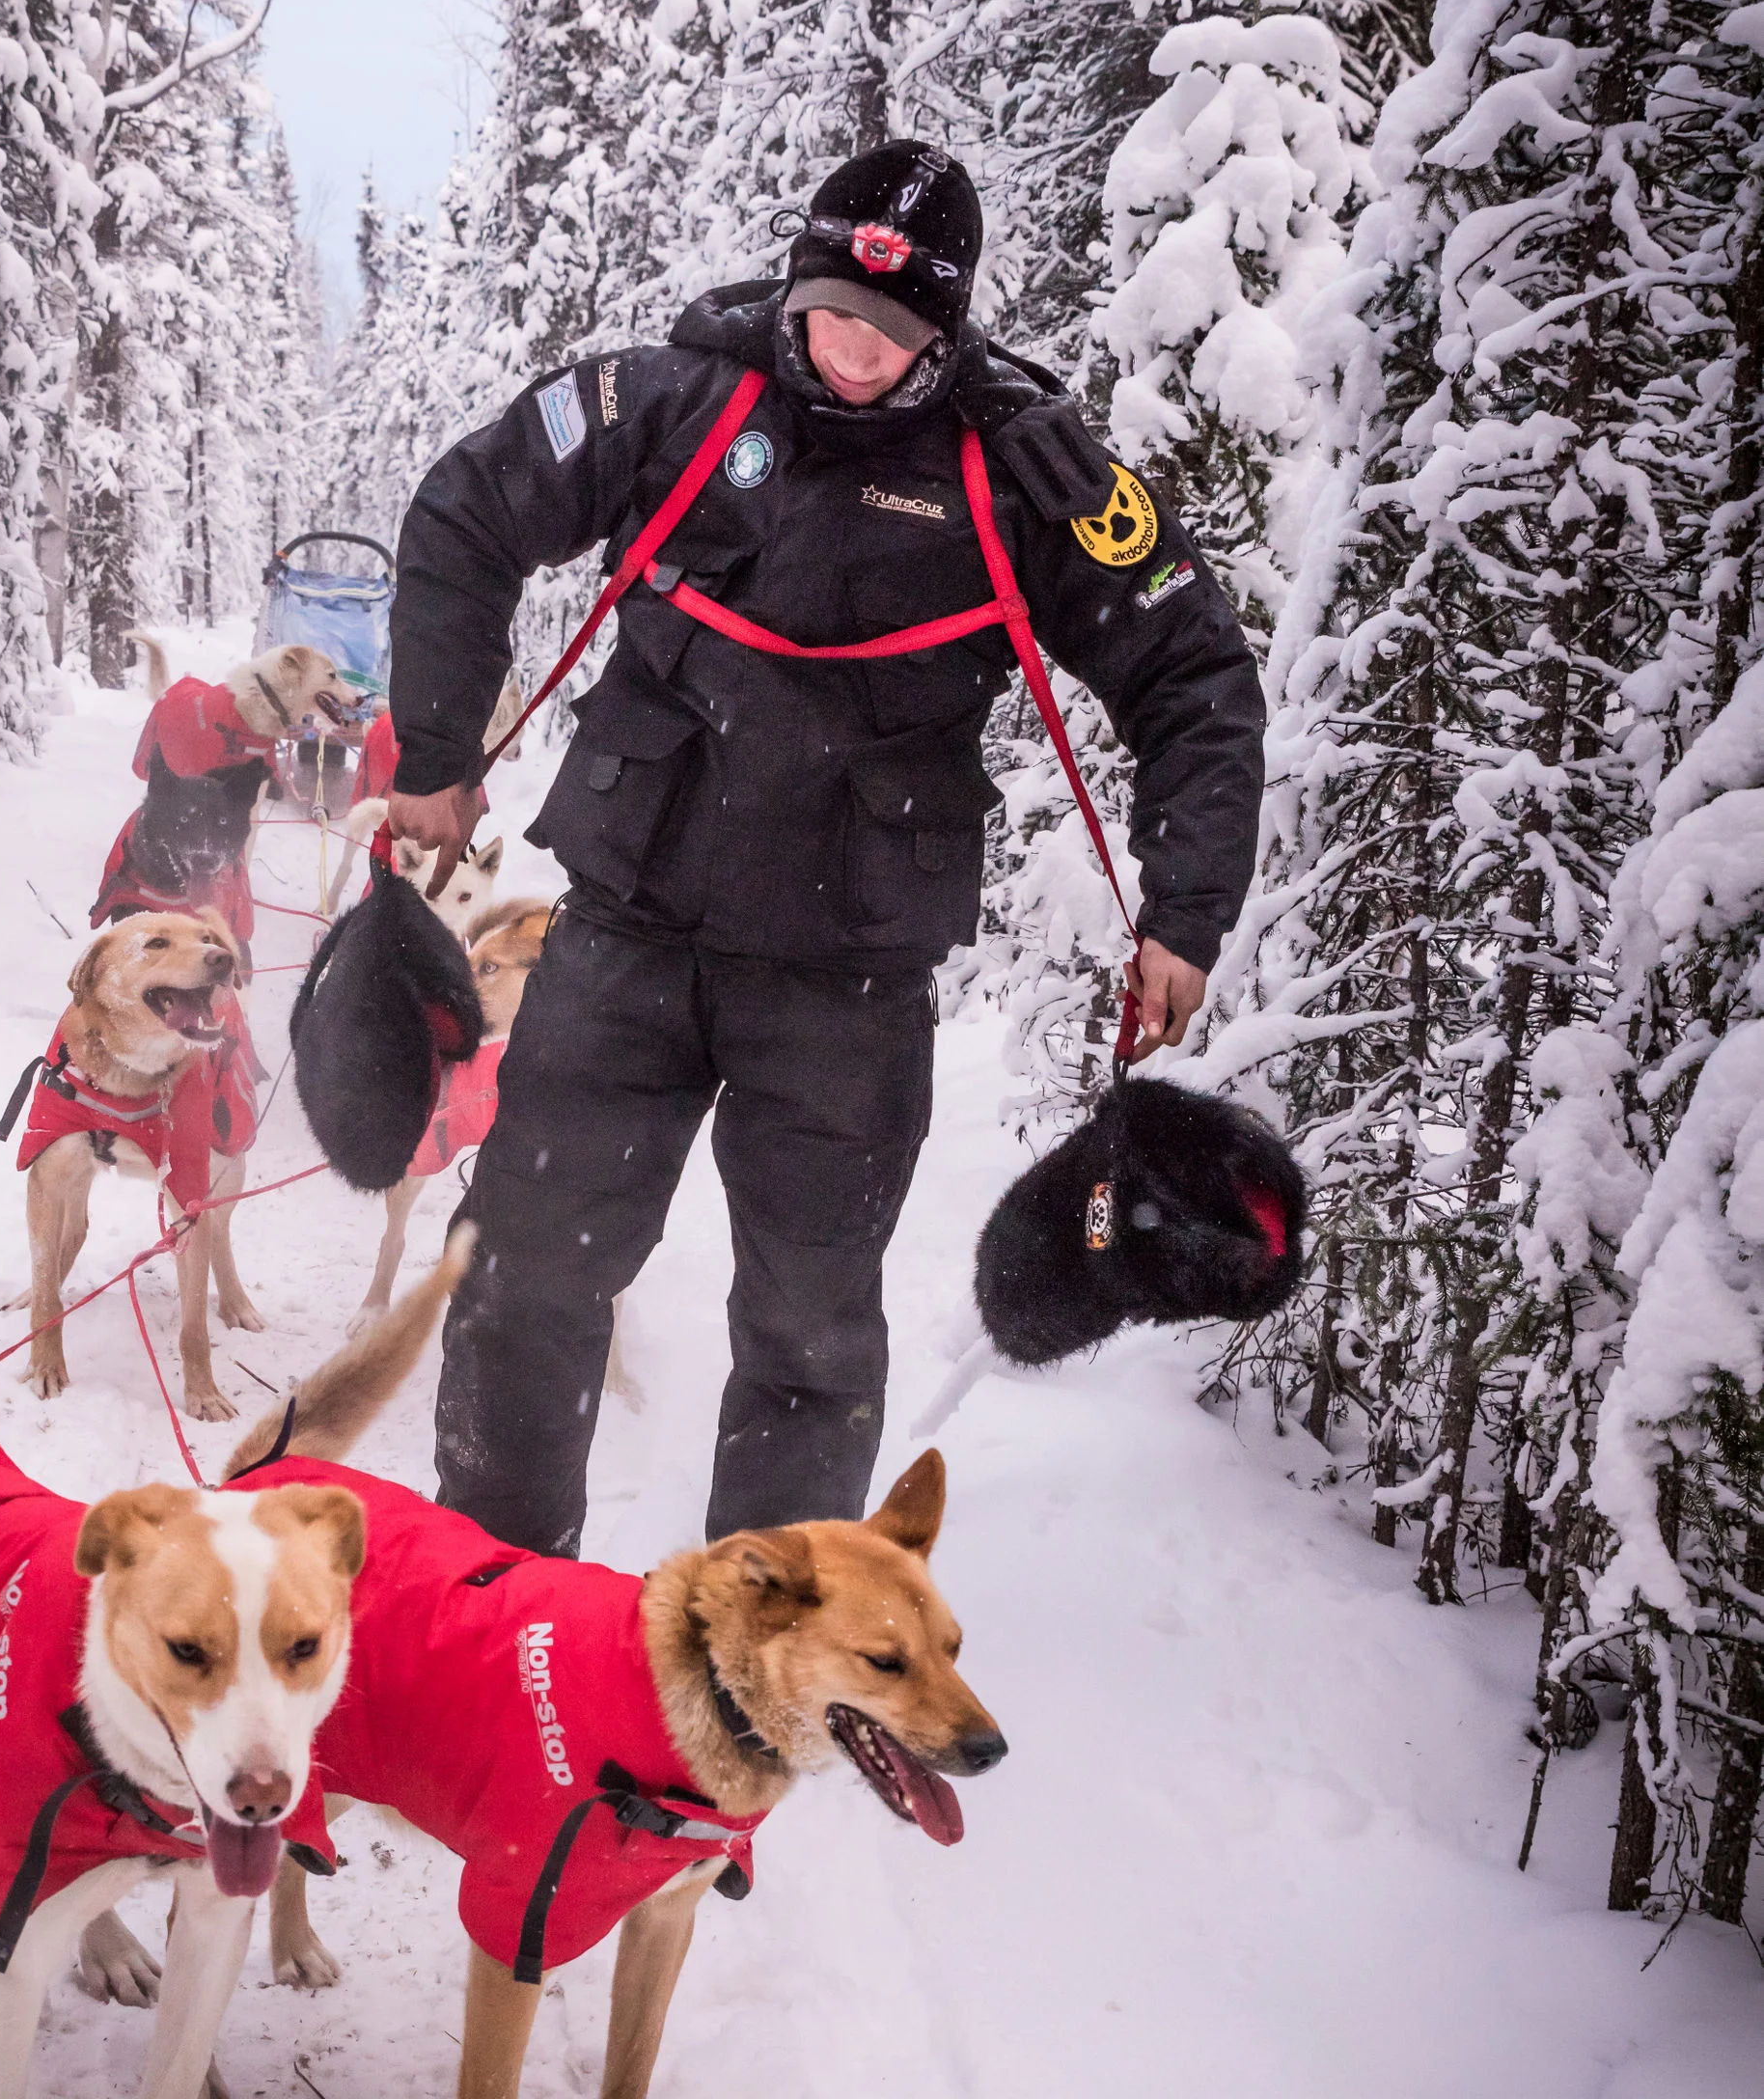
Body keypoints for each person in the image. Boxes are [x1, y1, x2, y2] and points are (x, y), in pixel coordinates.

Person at [384, 140, 1266, 1557]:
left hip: (846, 983)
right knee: (525, 1276)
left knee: (807, 1331)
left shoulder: (1028, 476)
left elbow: (1193, 677)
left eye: (891, 336)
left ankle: (759, 1653)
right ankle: (491, 1595)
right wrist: (433, 756)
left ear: (949, 329)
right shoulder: (665, 400)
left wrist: (1185, 911)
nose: (848, 357)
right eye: (825, 320)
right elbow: (465, 509)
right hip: (624, 934)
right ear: (792, 288)